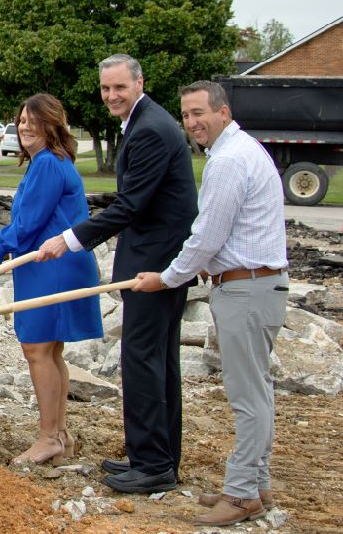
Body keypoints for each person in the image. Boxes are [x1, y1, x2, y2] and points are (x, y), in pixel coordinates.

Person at [37, 54, 198, 494]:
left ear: (139, 82)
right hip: (161, 260)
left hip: (155, 264)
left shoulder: (149, 130)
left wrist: (69, 239)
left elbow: (131, 206)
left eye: (119, 88)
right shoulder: (147, 122)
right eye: (106, 88)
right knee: (158, 360)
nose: (111, 95)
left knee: (144, 361)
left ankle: (152, 465)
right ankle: (154, 454)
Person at [132, 81, 288, 527]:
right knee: (257, 391)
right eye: (186, 115)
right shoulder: (239, 151)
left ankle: (241, 496)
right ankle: (254, 485)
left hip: (247, 289)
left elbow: (206, 237)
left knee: (247, 396)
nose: (193, 122)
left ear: (223, 112)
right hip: (254, 286)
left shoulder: (229, 161)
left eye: (200, 112)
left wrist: (166, 278)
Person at [0, 93, 102, 464]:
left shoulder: (46, 164)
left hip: (52, 268)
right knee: (51, 350)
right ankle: (60, 434)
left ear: (51, 125)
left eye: (34, 122)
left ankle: (49, 438)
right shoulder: (53, 161)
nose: (25, 127)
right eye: (22, 121)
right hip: (58, 264)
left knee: (37, 350)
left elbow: (28, 224)